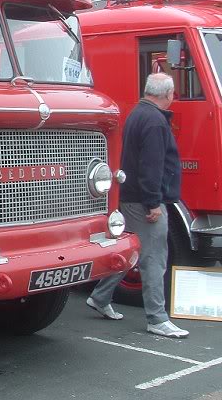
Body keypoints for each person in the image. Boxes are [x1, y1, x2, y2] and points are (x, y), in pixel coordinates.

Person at [86, 73, 189, 339]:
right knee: (154, 259)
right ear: (166, 94)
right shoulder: (156, 122)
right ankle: (157, 318)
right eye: (172, 94)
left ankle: (99, 296)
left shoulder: (136, 114)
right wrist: (154, 203)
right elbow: (152, 166)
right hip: (146, 201)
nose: (172, 98)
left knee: (128, 253)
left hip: (130, 197)